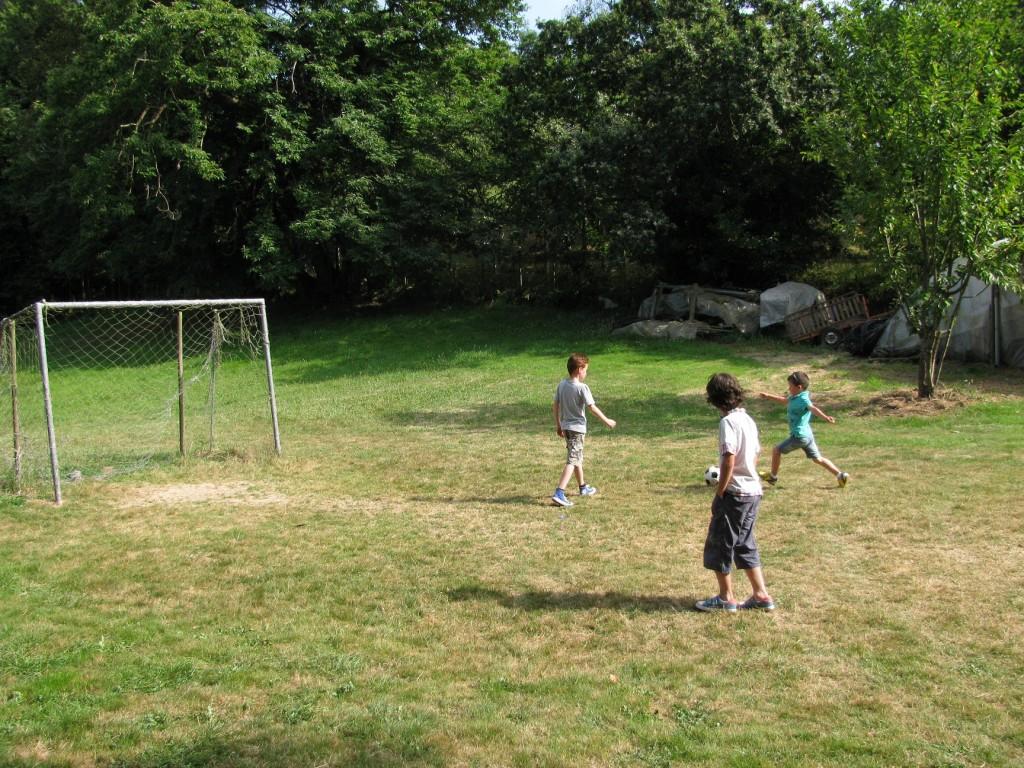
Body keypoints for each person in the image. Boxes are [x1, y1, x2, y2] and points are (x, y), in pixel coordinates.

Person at [695, 372, 775, 613]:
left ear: (715, 399)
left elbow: (728, 459)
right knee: (744, 543)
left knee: (720, 543)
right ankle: (761, 595)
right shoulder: (748, 420)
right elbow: (756, 453)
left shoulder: (728, 422)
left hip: (736, 494)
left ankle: (725, 598)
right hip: (753, 492)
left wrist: (720, 493)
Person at [757, 371, 849, 488]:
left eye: (790, 386)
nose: (788, 388)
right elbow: (785, 401)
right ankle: (840, 475)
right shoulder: (795, 397)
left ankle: (773, 477)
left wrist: (826, 417)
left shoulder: (804, 400)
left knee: (776, 450)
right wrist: (768, 396)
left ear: (799, 387)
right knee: (818, 459)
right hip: (807, 436)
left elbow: (813, 408)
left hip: (800, 437)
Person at [551, 353, 616, 508]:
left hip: (566, 428)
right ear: (579, 369)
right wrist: (607, 421)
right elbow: (592, 407)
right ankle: (559, 492)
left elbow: (555, 405)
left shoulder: (562, 385)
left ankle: (583, 487)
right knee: (573, 460)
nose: (586, 373)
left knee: (576, 457)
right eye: (586, 370)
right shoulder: (582, 388)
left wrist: (558, 425)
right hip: (577, 430)